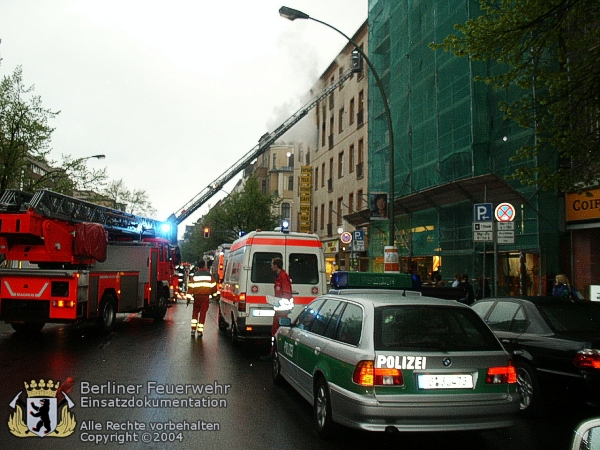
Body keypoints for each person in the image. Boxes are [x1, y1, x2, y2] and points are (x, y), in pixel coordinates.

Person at [262, 257, 293, 360]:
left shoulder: (283, 277)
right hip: (279, 310)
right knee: (275, 331)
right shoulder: (280, 277)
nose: (271, 267)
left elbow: (287, 294)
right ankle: (274, 352)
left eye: (272, 265)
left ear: (276, 265)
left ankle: (275, 353)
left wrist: (279, 303)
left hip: (281, 311)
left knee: (276, 331)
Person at [187, 260, 217, 337]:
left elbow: (190, 287)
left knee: (195, 313)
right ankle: (200, 331)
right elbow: (214, 286)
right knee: (203, 314)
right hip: (205, 297)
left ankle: (193, 330)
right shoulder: (209, 275)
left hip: (197, 297)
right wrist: (215, 295)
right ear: (204, 266)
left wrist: (189, 298)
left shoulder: (195, 275)